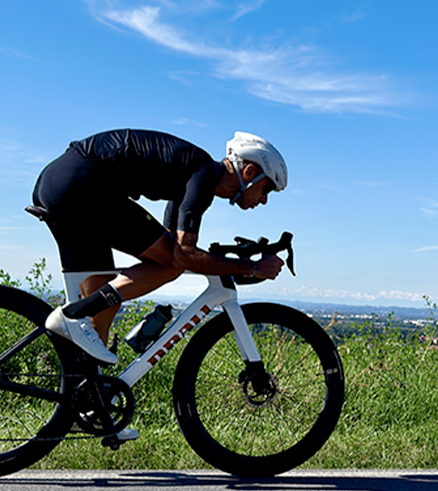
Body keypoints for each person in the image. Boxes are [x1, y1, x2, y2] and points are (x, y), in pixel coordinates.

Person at [31, 129, 287, 367]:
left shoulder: (191, 174)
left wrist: (225, 260)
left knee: (105, 304)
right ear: (250, 172)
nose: (264, 200)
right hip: (84, 183)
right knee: (172, 264)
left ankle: (86, 397)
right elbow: (183, 254)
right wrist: (252, 267)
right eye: (267, 190)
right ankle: (73, 314)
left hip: (59, 183)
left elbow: (171, 241)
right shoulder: (204, 172)